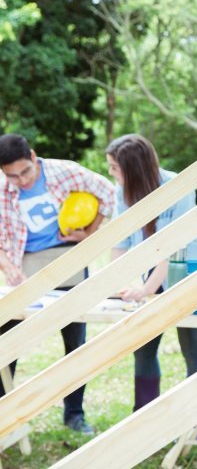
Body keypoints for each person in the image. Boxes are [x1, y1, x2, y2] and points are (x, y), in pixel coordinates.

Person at [0, 133, 115, 435]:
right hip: (27, 264)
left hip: (69, 259)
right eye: (12, 176)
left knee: (75, 342)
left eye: (25, 171)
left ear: (34, 157)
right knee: (6, 339)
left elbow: (108, 192)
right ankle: (3, 413)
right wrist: (8, 266)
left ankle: (74, 414)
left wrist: (89, 233)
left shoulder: (65, 171)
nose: (21, 180)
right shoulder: (3, 190)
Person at [105, 134, 197, 416]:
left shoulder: (177, 188)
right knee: (143, 345)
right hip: (153, 271)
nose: (111, 174)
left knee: (191, 345)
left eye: (115, 168)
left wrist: (146, 290)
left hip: (190, 269)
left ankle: (195, 419)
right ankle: (144, 415)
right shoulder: (122, 192)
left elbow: (170, 247)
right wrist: (119, 284)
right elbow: (120, 243)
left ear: (133, 168)